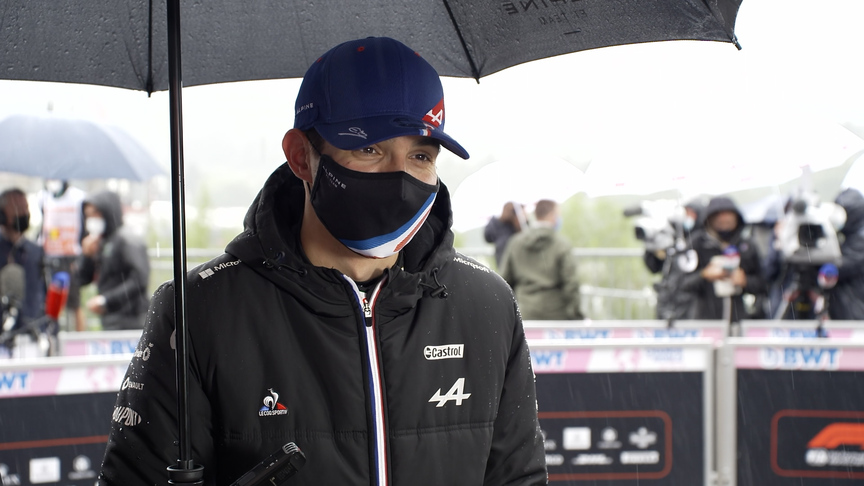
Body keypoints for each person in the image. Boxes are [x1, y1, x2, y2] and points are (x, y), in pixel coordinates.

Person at [99, 37, 546, 485]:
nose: (400, 178)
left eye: (420, 156)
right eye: (369, 149)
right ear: (301, 157)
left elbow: (519, 478)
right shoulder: (197, 310)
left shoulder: (486, 304)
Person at [679, 196, 767, 321]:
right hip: (706, 320)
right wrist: (704, 275)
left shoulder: (746, 245)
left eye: (728, 215)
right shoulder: (697, 244)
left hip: (739, 318)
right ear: (710, 218)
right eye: (719, 215)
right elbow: (682, 284)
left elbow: (764, 284)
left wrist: (745, 281)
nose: (724, 219)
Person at [499, 199, 583, 320]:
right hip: (557, 315)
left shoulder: (515, 243)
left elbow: (504, 282)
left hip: (525, 312)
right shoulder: (562, 244)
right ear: (552, 216)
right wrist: (575, 315)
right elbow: (571, 283)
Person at [77, 190, 150, 330]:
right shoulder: (100, 242)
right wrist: (87, 256)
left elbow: (139, 279)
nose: (92, 219)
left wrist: (106, 300)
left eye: (95, 214)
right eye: (88, 216)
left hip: (132, 320)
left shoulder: (126, 240)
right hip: (111, 320)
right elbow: (82, 279)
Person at [37, 179, 87, 331]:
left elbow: (83, 227)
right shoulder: (44, 197)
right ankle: (53, 335)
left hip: (71, 256)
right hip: (50, 255)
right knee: (51, 303)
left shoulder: (77, 197)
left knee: (74, 303)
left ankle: (79, 343)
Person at [643, 199, 704, 320]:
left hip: (694, 306)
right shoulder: (672, 239)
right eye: (685, 213)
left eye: (691, 213)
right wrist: (652, 247)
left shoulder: (703, 242)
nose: (687, 217)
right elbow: (654, 267)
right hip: (669, 303)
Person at [0, 188, 46, 329]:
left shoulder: (36, 251)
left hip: (32, 333)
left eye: (26, 207)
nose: (24, 213)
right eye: (18, 208)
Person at [827, 188, 864, 319]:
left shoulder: (860, 240)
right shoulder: (849, 236)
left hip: (854, 310)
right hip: (848, 306)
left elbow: (841, 267)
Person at [484, 201, 528, 268]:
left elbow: (527, 235)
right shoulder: (498, 226)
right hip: (504, 263)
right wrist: (498, 219)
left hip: (519, 265)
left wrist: (521, 221)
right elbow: (488, 237)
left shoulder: (519, 227)